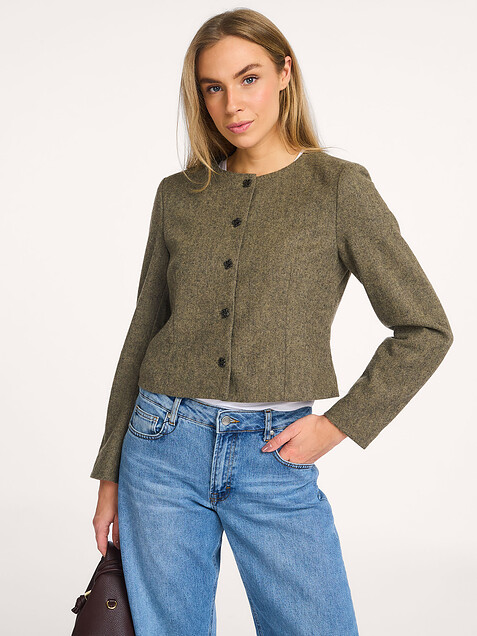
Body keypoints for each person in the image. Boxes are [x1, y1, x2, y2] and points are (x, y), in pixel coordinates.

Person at [90, 9, 453, 636]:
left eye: (249, 78)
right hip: (160, 446)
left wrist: (339, 425)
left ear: (285, 73)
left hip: (273, 454)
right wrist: (109, 473)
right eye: (213, 87)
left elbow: (425, 328)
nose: (232, 104)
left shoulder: (338, 188)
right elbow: (144, 330)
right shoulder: (177, 195)